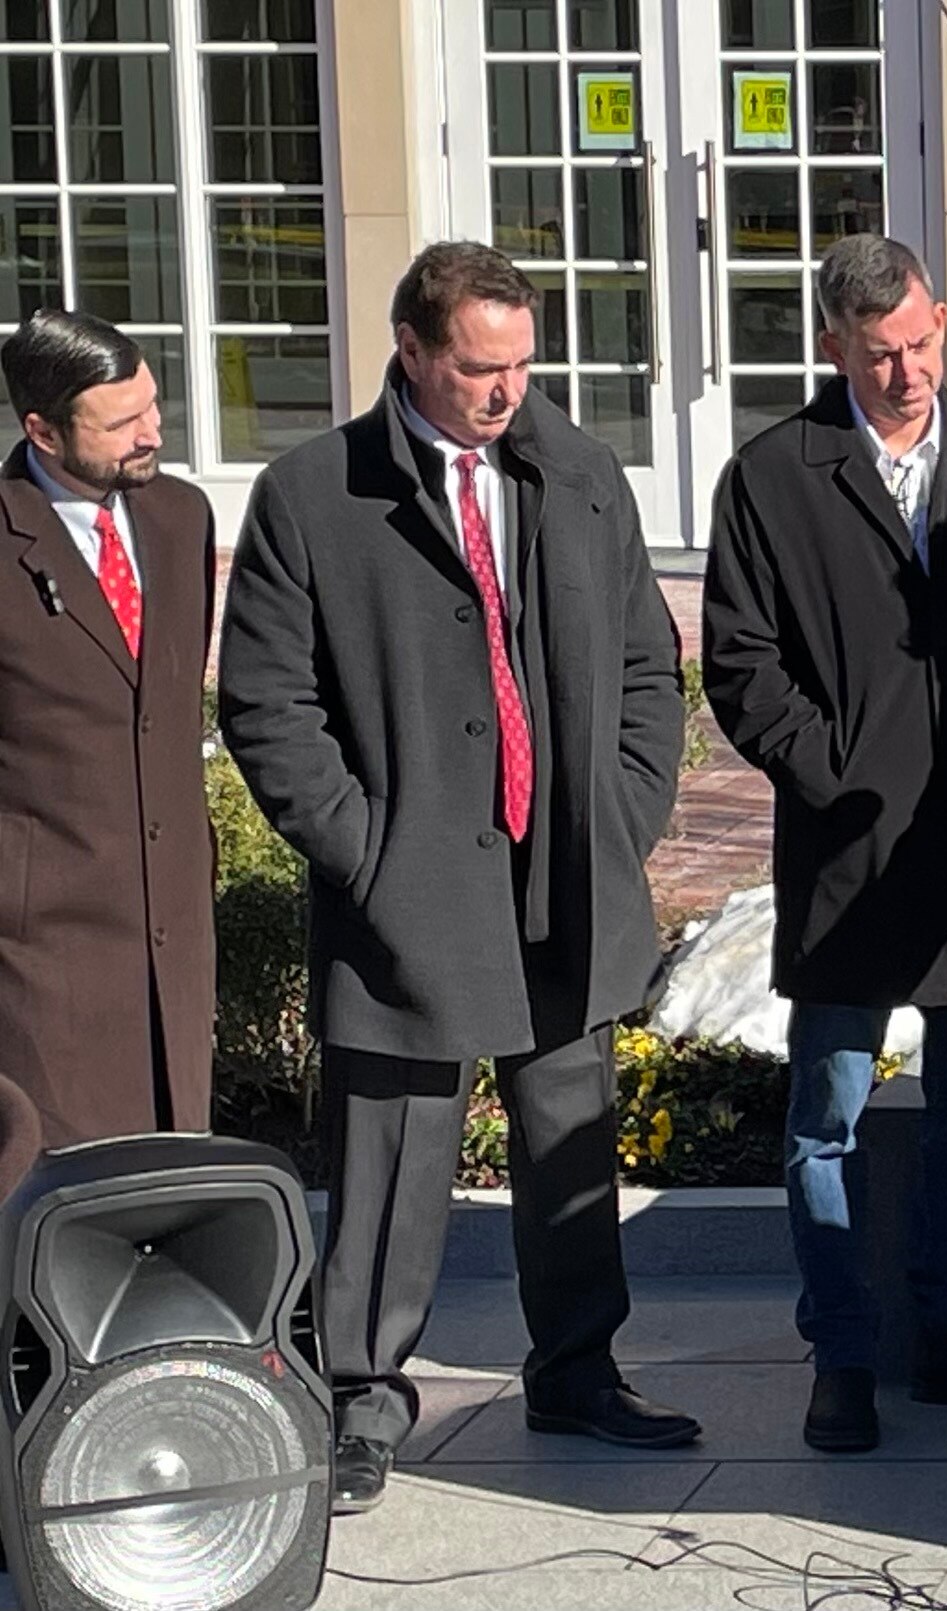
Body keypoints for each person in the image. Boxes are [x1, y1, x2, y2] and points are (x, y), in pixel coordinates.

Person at [220, 242, 698, 1514]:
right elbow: (266, 702)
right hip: (408, 890)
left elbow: (648, 666)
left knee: (570, 1142)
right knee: (388, 1156)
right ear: (413, 352)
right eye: (480, 368)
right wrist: (363, 850)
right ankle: (361, 1399)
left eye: (522, 365)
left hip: (567, 871)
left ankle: (579, 1372)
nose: (506, 391)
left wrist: (621, 814)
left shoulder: (580, 474)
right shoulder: (314, 492)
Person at [702, 233, 947, 1454]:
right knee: (828, 1121)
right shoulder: (772, 475)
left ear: (941, 320)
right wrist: (834, 773)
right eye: (877, 355)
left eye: (918, 344)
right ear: (831, 347)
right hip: (850, 856)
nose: (906, 372)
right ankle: (844, 1355)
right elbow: (742, 663)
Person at [0, 310, 216, 1151]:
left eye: (152, 406)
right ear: (43, 432)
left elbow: (162, 709)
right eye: (120, 422)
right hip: (41, 953)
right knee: (55, 1193)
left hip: (173, 936)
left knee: (169, 1182)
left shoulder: (181, 518)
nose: (150, 433)